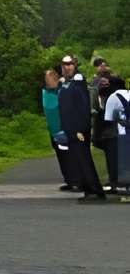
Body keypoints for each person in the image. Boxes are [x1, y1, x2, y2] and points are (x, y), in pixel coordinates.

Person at [58, 53, 110, 200]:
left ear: (75, 65)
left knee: (84, 159)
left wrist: (81, 128)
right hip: (71, 127)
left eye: (70, 64)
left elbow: (82, 106)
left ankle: (95, 190)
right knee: (78, 160)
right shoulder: (67, 83)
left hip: (78, 128)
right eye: (65, 65)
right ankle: (88, 188)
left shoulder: (77, 81)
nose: (67, 67)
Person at [42, 63, 75, 190]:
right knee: (61, 156)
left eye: (49, 78)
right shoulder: (47, 92)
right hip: (54, 129)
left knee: (69, 156)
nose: (47, 81)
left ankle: (76, 180)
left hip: (64, 129)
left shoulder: (62, 91)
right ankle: (69, 180)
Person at [105, 80, 130, 194]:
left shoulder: (113, 97)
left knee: (123, 160)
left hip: (123, 132)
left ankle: (123, 186)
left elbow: (108, 119)